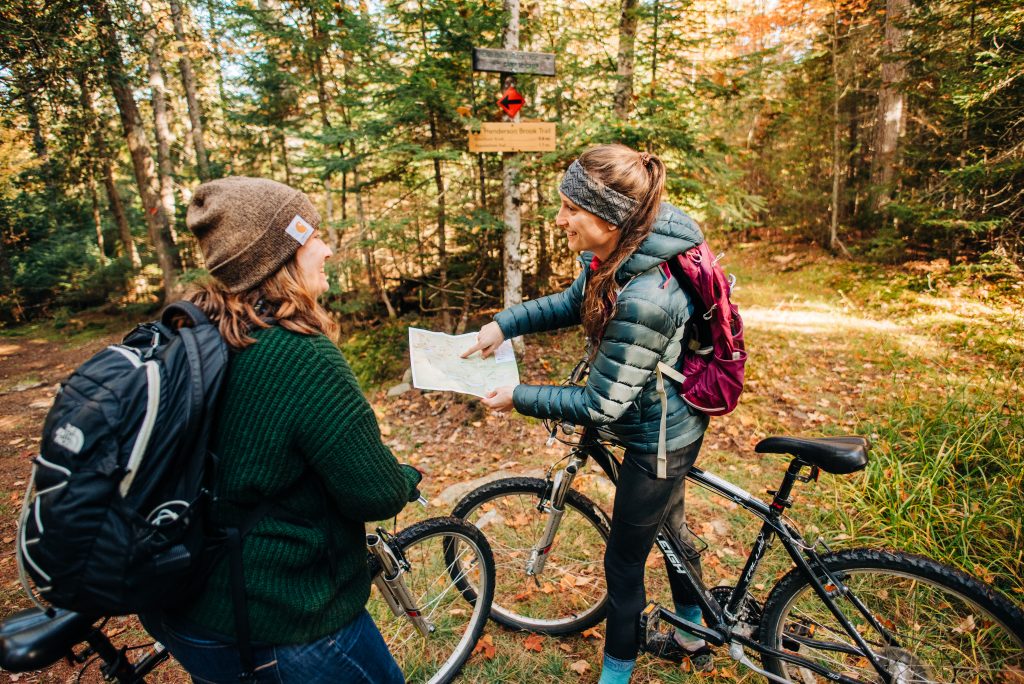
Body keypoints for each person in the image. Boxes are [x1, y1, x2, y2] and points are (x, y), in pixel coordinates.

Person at [140, 177, 420, 684]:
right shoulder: (301, 357)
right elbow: (375, 494)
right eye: (313, 237)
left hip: (185, 608)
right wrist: (405, 477)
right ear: (279, 257)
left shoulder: (194, 335)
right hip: (282, 622)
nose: (327, 250)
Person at [462, 144, 714, 681]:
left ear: (609, 216)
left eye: (570, 208)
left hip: (658, 436)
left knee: (623, 564)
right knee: (671, 531)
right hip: (664, 419)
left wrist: (518, 395)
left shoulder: (644, 296)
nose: (559, 219)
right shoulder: (621, 257)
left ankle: (615, 674)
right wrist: (503, 325)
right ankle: (694, 632)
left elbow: (601, 404)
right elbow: (573, 301)